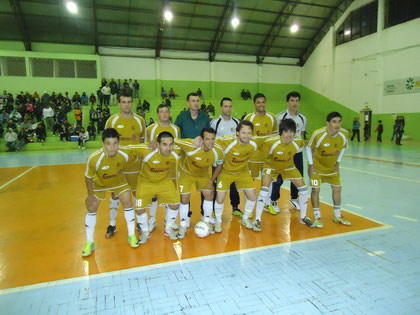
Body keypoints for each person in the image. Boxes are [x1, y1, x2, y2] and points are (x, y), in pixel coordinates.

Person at [82, 128, 139, 257]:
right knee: (91, 206)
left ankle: (132, 235)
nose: (112, 147)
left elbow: (138, 150)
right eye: (108, 143)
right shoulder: (94, 158)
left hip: (118, 181)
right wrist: (90, 195)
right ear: (102, 144)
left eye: (115, 143)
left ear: (119, 143)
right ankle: (89, 242)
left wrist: (151, 145)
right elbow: (88, 177)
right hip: (99, 183)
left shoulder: (125, 153)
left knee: (127, 200)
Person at [253, 119, 314, 232]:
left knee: (304, 189)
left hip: (288, 167)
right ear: (281, 132)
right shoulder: (270, 142)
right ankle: (257, 220)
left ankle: (303, 217)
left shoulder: (298, 142)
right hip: (271, 167)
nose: (289, 135)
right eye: (286, 131)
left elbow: (308, 143)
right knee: (264, 190)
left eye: (291, 132)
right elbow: (255, 144)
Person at [104, 93, 146, 238]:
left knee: (136, 194)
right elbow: (106, 145)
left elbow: (142, 143)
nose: (126, 104)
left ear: (132, 103)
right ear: (119, 104)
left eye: (129, 102)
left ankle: (139, 223)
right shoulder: (112, 121)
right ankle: (112, 224)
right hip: (118, 166)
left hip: (135, 166)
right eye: (123, 102)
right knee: (115, 195)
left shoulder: (140, 120)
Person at [128, 132, 182, 243]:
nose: (168, 148)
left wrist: (198, 138)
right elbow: (128, 148)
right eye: (165, 144)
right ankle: (145, 231)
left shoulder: (176, 151)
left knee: (175, 204)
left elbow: (189, 143)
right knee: (139, 208)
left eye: (171, 144)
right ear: (157, 144)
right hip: (145, 182)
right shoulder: (146, 149)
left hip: (164, 181)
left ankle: (168, 228)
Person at [175, 128, 224, 236]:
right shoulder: (191, 145)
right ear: (201, 139)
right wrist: (155, 143)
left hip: (203, 173)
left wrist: (212, 181)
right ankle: (182, 226)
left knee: (209, 194)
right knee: (185, 198)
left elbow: (219, 165)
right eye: (207, 139)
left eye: (213, 139)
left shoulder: (218, 150)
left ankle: (206, 222)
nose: (211, 142)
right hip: (186, 173)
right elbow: (174, 140)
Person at [213, 121, 259, 232]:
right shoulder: (227, 142)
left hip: (242, 173)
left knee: (253, 196)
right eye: (243, 132)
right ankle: (218, 222)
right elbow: (211, 140)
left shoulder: (253, 144)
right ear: (237, 133)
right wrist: (199, 140)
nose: (246, 136)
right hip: (226, 173)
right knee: (220, 198)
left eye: (249, 133)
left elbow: (267, 137)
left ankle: (245, 218)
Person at [307, 112, 350, 228]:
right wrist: (311, 166)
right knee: (315, 190)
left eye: (339, 121)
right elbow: (308, 148)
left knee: (337, 189)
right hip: (317, 169)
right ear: (328, 123)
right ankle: (317, 217)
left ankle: (337, 215)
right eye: (334, 122)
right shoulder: (318, 134)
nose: (337, 124)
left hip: (332, 169)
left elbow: (343, 149)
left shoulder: (344, 134)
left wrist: (338, 164)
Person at [268, 92, 307, 214]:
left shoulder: (302, 118)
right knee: (278, 179)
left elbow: (300, 136)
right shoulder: (279, 117)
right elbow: (274, 135)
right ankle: (273, 200)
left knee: (298, 176)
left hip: (297, 153)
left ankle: (294, 198)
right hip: (282, 154)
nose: (294, 103)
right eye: (292, 100)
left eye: (296, 100)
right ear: (287, 102)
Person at [145, 103, 181, 230]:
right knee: (153, 195)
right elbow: (146, 148)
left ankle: (167, 221)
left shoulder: (176, 129)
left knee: (168, 194)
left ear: (169, 113)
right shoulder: (150, 129)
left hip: (170, 167)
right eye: (161, 112)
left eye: (166, 111)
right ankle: (152, 220)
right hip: (154, 168)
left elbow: (177, 148)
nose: (164, 114)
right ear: (157, 114)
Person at [210, 98, 242, 217]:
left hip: (233, 161)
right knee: (217, 184)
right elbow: (211, 140)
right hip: (219, 161)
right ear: (221, 107)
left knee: (234, 184)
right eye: (225, 106)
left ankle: (235, 207)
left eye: (230, 106)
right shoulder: (215, 122)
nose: (228, 108)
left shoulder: (236, 122)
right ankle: (214, 211)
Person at [244, 93, 278, 179]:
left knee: (268, 183)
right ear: (254, 104)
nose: (261, 105)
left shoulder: (272, 117)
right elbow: (243, 138)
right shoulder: (248, 118)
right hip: (252, 158)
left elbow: (276, 135)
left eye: (263, 102)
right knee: (249, 182)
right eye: (258, 102)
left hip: (268, 159)